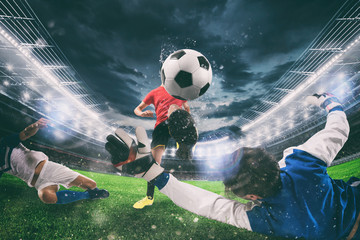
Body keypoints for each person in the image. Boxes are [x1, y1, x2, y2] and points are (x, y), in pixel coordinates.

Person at [106, 93, 360, 239]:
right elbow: (339, 127)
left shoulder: (266, 219)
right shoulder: (302, 161)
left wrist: (154, 174)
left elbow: (205, 204)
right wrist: (327, 100)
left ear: (251, 196)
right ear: (270, 160)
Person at [0, 118, 109, 204]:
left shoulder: (4, 144)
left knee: (91, 184)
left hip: (48, 169)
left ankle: (94, 192)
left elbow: (25, 133)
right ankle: (88, 195)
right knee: (47, 197)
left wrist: (35, 125)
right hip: (37, 182)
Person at [132, 84, 197, 209]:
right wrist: (142, 114)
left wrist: (187, 119)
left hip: (177, 121)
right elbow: (137, 109)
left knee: (173, 107)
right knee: (153, 164)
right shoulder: (154, 92)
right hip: (161, 126)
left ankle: (185, 142)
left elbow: (187, 107)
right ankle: (149, 198)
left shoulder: (179, 90)